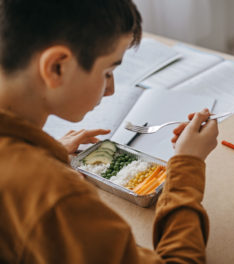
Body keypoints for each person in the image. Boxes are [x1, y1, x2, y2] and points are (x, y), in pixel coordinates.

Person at [0, 0, 218, 263]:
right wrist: (188, 166)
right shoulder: (57, 198)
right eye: (108, 72)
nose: (111, 89)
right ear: (57, 66)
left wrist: (47, 151)